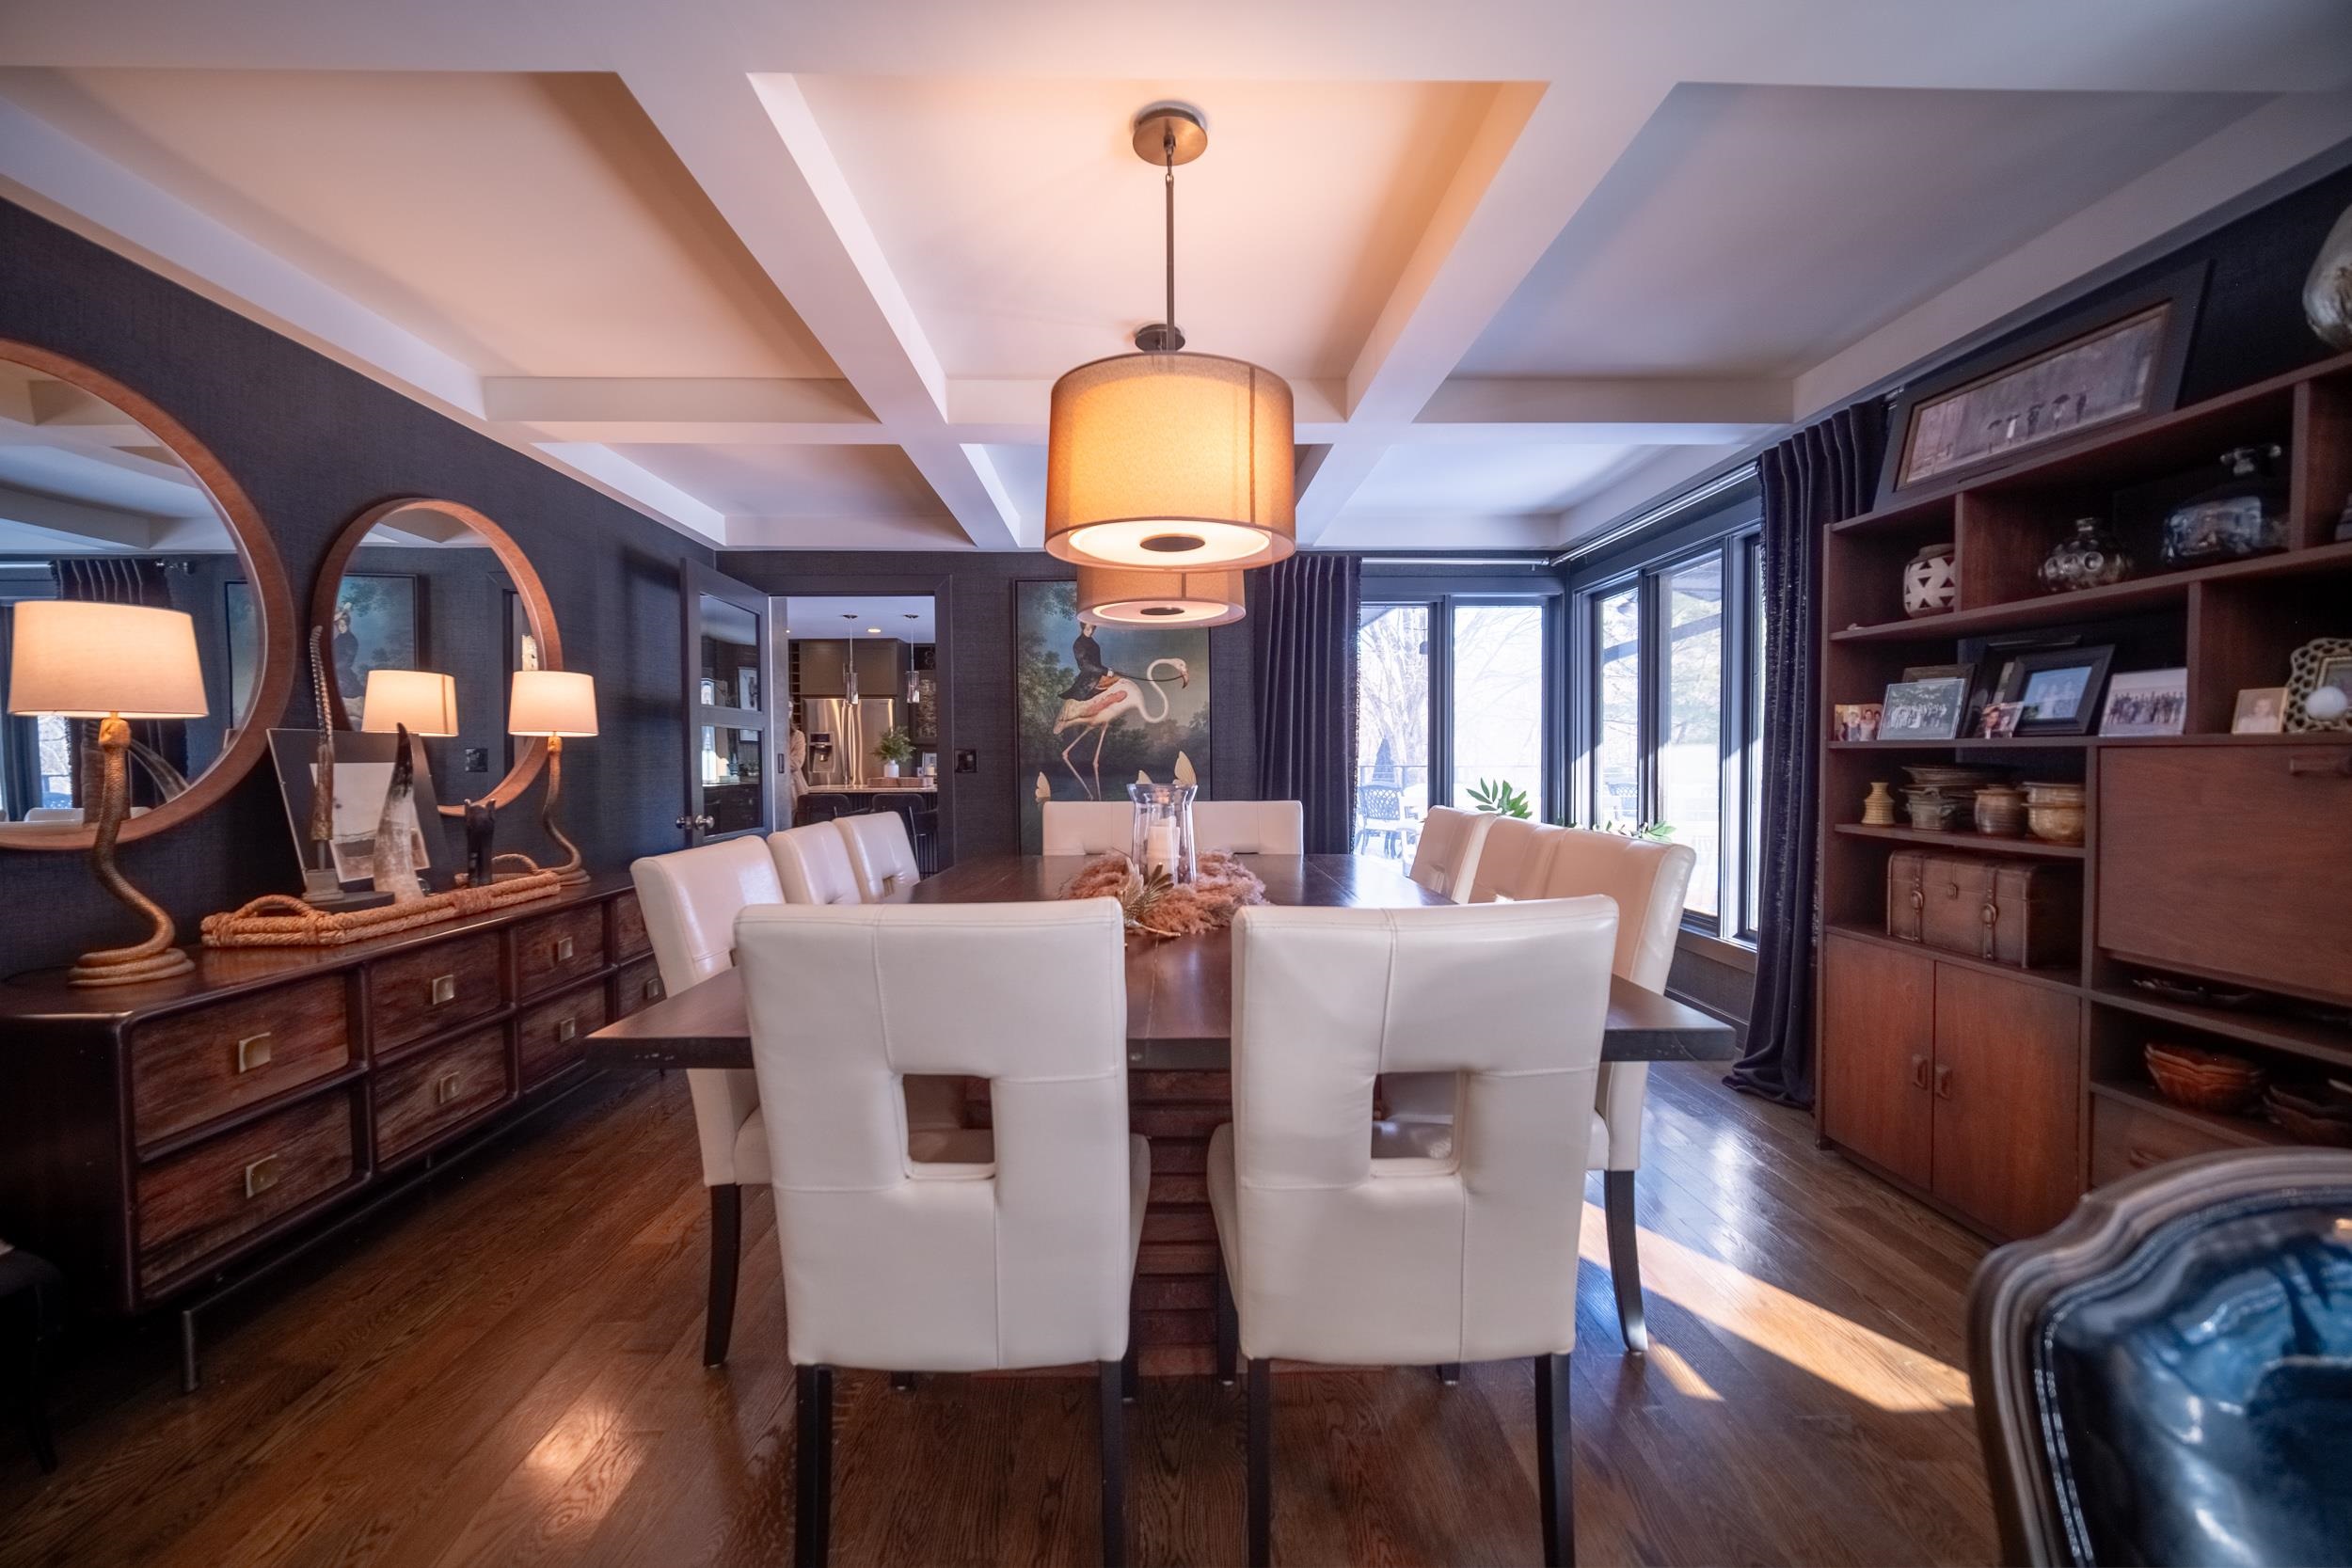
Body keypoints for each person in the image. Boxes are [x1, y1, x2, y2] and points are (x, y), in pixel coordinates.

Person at [1060, 618, 1117, 701]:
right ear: (1083, 628)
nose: (1091, 631)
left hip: (1098, 674)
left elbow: (1097, 664)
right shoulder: (1078, 644)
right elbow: (1085, 666)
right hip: (1088, 680)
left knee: (1119, 677)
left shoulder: (1094, 643)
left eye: (1093, 628)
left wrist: (1107, 670)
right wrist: (1105, 671)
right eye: (1088, 629)